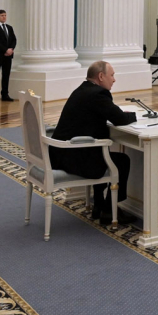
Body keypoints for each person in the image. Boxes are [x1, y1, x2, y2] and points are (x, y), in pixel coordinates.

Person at [49, 62, 138, 225]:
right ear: (101, 76)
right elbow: (120, 119)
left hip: (60, 154)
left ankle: (99, 204)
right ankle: (110, 209)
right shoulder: (98, 94)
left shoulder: (82, 89)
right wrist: (133, 115)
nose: (114, 79)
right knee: (121, 161)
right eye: (112, 75)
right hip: (73, 157)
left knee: (102, 154)